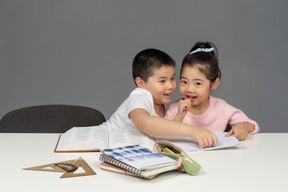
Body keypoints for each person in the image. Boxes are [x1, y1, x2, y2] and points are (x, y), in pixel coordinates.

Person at [106, 48, 218, 148]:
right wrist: (193, 131)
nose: (170, 86)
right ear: (140, 83)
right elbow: (143, 123)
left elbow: (167, 133)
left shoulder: (165, 106)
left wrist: (179, 116)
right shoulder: (139, 96)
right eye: (162, 81)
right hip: (101, 144)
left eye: (173, 78)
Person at [165, 42, 259, 141]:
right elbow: (165, 138)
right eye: (184, 82)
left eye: (197, 83)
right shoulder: (174, 110)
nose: (189, 89)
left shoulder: (221, 107)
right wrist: (179, 117)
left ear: (214, 84)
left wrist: (243, 127)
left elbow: (251, 125)